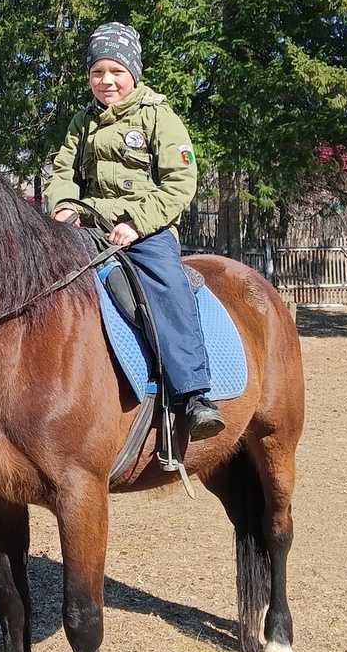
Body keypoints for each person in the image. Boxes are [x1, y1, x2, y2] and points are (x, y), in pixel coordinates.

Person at [46, 22, 225, 440]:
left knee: (165, 287)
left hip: (147, 229)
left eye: (115, 71)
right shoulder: (81, 122)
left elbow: (180, 182)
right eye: (97, 72)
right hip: (86, 227)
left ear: (133, 73)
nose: (106, 81)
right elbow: (61, 172)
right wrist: (63, 206)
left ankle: (194, 393)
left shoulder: (159, 117)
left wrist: (137, 224)